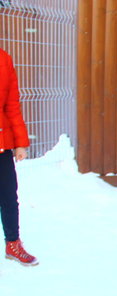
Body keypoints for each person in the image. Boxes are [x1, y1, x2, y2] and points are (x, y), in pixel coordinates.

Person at [0, 48, 38, 266]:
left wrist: (20, 143)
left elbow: (11, 105)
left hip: (2, 143)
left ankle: (12, 244)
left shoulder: (4, 59)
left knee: (8, 196)